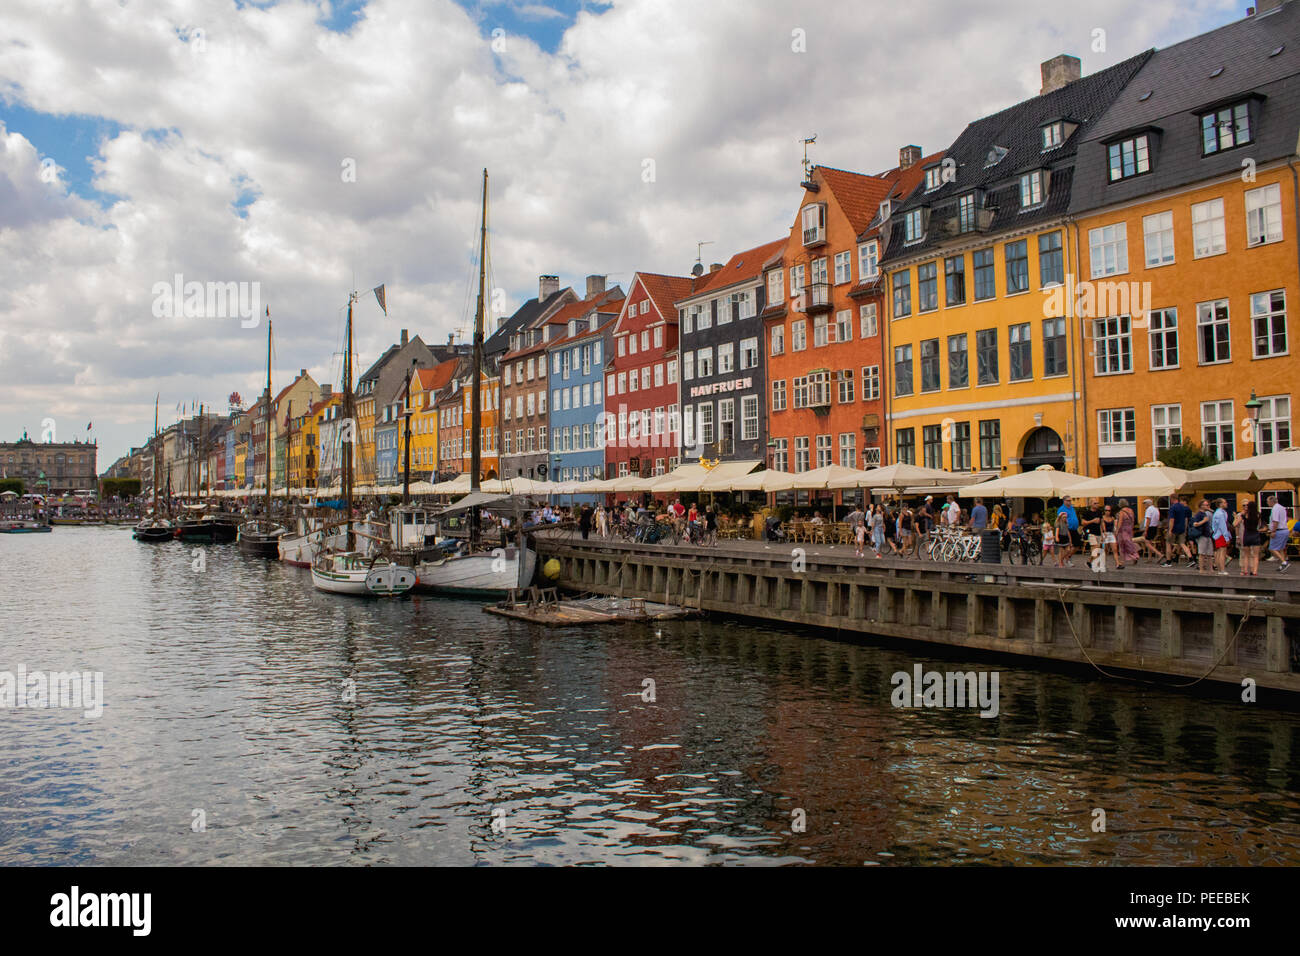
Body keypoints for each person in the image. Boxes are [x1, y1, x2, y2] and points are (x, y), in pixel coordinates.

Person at [1163, 494, 1193, 567]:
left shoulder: (1173, 508)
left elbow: (1171, 520)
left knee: (1168, 543)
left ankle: (1168, 561)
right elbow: (1186, 519)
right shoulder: (1183, 507)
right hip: (1182, 528)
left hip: (1174, 528)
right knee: (1182, 543)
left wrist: (1170, 530)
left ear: (1172, 499)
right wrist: (1185, 528)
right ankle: (1191, 558)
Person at [1237, 499, 1261, 576]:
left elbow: (1235, 524)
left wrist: (1236, 517)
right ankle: (1255, 571)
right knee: (1256, 555)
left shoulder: (1244, 515)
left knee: (1246, 555)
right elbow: (1259, 525)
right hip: (1255, 535)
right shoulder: (1258, 514)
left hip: (1246, 535)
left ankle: (1245, 571)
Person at [1267, 494, 1291, 572]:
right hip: (1285, 530)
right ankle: (1283, 565)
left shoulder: (1275, 509)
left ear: (1271, 501)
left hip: (1279, 531)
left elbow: (1275, 521)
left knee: (1272, 548)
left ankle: (1284, 562)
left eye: (1267, 502)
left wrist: (1273, 531)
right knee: (1281, 549)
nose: (1267, 503)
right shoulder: (1282, 508)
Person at [1191, 499, 1214, 573]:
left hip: (1208, 535)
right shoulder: (1199, 514)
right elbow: (1195, 524)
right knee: (1202, 553)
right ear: (1201, 506)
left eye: (1208, 505)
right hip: (1202, 535)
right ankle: (1201, 569)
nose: (1208, 506)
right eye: (1206, 505)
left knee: (1210, 553)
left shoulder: (1205, 514)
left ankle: (1210, 569)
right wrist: (1203, 521)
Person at [1116, 498, 1138, 566]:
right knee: (1129, 543)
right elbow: (1133, 521)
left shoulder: (1121, 512)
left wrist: (1116, 531)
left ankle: (1123, 561)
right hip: (1129, 529)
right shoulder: (1131, 510)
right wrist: (1131, 528)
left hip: (1123, 530)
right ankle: (1134, 556)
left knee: (1122, 545)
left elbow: (1120, 523)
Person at [1059, 495, 1080, 565]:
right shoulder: (1061, 509)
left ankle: (1067, 557)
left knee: (1077, 545)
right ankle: (1066, 561)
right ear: (1064, 501)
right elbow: (1060, 519)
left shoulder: (1072, 508)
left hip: (1074, 529)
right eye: (1068, 500)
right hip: (1067, 530)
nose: (1069, 502)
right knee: (1068, 546)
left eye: (1070, 500)